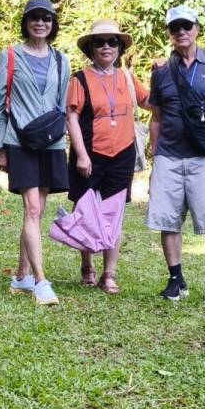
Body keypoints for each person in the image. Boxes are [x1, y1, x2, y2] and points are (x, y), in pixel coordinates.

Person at [146, 5, 205, 304]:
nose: (181, 32)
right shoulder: (161, 72)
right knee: (168, 218)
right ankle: (176, 279)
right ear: (169, 34)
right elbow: (156, 115)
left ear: (197, 29)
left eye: (187, 26)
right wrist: (156, 155)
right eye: (175, 28)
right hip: (170, 154)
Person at [0, 0, 72, 305]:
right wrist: (0, 147)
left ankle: (22, 276)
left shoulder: (62, 60)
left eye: (46, 18)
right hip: (20, 139)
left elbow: (62, 104)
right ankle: (41, 282)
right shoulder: (10, 56)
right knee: (33, 210)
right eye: (34, 18)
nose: (40, 23)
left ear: (53, 24)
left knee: (37, 210)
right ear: (25, 22)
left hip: (51, 141)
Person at [63, 19, 150, 294]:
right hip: (89, 154)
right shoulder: (79, 79)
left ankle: (109, 273)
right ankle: (87, 266)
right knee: (85, 211)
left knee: (115, 214)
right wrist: (81, 155)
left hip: (122, 154)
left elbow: (152, 102)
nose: (106, 47)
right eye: (99, 42)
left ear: (119, 48)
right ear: (91, 48)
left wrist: (165, 74)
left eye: (112, 42)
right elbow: (71, 117)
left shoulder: (126, 77)